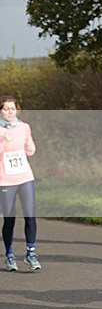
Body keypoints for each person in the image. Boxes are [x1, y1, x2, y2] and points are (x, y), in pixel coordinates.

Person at [0, 95, 40, 272]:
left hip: (25, 177)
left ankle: (31, 253)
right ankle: (9, 254)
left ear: (17, 110)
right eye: (6, 108)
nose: (10, 112)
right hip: (5, 179)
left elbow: (30, 149)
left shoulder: (24, 127)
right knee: (9, 219)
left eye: (12, 108)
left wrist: (30, 148)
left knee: (30, 215)